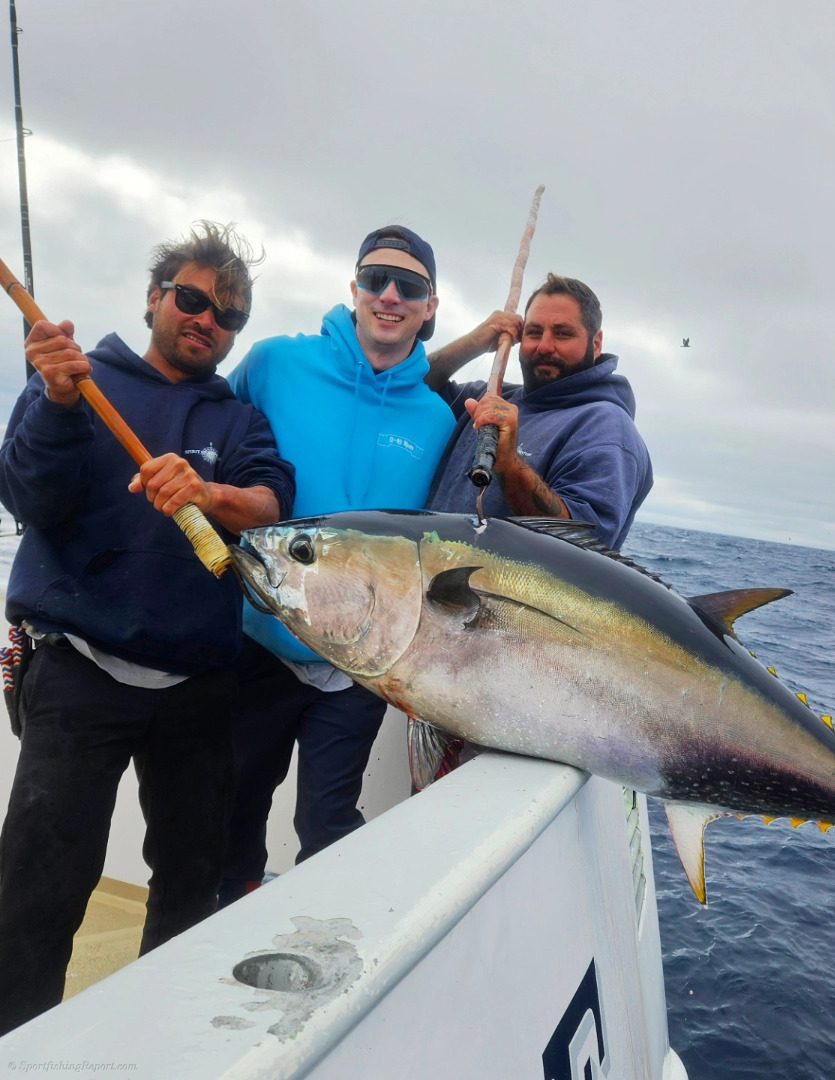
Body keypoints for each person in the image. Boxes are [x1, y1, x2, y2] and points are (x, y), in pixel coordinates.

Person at [0, 221, 296, 1035]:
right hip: (77, 673)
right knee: (40, 885)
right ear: (155, 299)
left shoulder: (234, 421)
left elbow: (271, 501)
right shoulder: (77, 379)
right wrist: (59, 404)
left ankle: (161, 1043)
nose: (207, 320)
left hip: (198, 689)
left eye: (227, 315)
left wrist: (208, 493)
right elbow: (28, 498)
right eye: (192, 298)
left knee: (190, 885)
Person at [220, 226, 519, 905]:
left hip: (358, 665)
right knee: (234, 805)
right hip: (259, 642)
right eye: (374, 279)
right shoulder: (273, 365)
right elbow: (215, 438)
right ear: (352, 289)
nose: (389, 295)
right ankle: (221, 933)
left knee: (327, 820)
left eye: (408, 287)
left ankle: (327, 946)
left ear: (428, 306)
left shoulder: (435, 418)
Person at [427, 273, 653, 549]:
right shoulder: (487, 397)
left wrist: (509, 464)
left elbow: (584, 547)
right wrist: (475, 342)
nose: (545, 346)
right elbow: (411, 385)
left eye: (562, 333)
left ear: (595, 344)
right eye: (534, 332)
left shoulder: (607, 426)